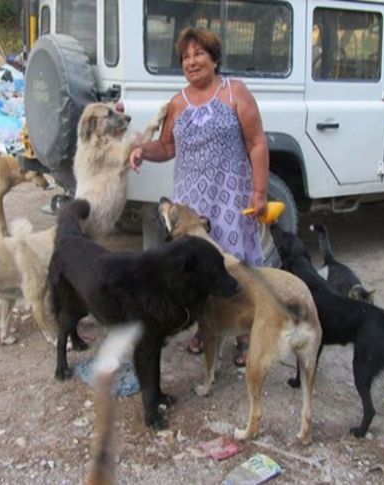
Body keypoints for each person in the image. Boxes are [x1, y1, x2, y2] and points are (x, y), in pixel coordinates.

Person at [128, 27, 270, 367]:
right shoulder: (178, 102)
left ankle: (246, 332)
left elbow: (257, 142)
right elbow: (166, 146)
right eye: (185, 57)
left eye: (198, 54)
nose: (192, 62)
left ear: (214, 57)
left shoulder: (235, 92)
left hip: (231, 198)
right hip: (191, 202)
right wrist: (141, 150)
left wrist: (260, 191)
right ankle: (207, 327)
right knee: (195, 269)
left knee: (236, 265)